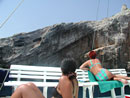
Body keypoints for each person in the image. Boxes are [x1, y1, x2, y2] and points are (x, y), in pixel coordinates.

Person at [11, 58, 79, 98]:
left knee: (22, 88)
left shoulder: (64, 79)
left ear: (62, 69)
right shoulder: (74, 80)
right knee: (30, 85)